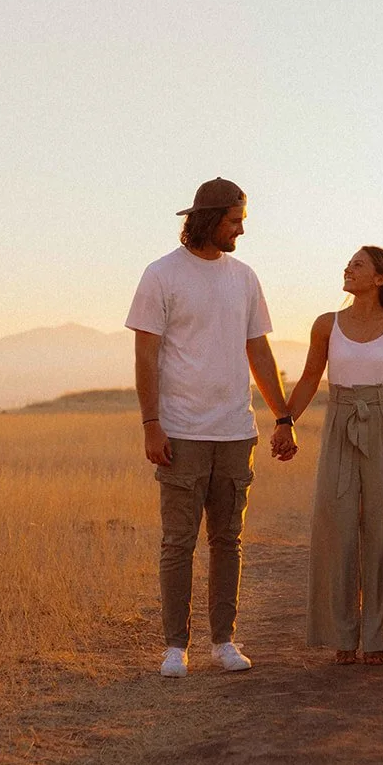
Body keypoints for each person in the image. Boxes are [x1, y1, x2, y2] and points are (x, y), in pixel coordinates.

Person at [126, 177, 297, 678]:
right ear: (208, 220)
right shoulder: (161, 275)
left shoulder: (244, 277)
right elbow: (145, 353)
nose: (241, 230)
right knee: (178, 542)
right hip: (180, 431)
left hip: (234, 431)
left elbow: (259, 350)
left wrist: (281, 416)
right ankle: (175, 647)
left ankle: (224, 641)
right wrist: (151, 424)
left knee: (229, 540)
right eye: (234, 220)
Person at [280, 246, 383, 665]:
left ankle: (378, 637)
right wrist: (285, 422)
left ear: (380, 279)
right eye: (348, 263)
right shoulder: (327, 324)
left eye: (358, 264)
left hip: (380, 422)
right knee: (335, 525)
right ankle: (341, 635)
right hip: (339, 421)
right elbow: (308, 377)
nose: (348, 268)